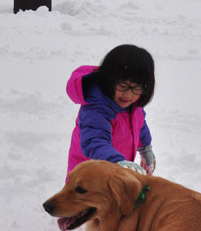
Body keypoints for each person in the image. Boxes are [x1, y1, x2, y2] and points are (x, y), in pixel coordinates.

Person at [65, 44, 157, 178]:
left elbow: (139, 124)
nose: (128, 95)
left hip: (115, 172)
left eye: (136, 88)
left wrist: (145, 148)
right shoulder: (96, 108)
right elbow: (95, 140)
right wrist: (115, 161)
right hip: (87, 179)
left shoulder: (133, 106)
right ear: (109, 79)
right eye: (122, 85)